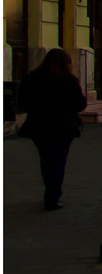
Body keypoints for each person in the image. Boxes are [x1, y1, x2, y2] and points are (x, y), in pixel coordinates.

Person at [18, 48, 87, 210]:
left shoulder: (31, 78)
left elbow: (22, 102)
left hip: (38, 126)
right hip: (62, 128)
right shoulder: (68, 80)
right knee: (57, 161)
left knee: (47, 159)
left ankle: (51, 191)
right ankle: (52, 196)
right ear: (66, 63)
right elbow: (80, 104)